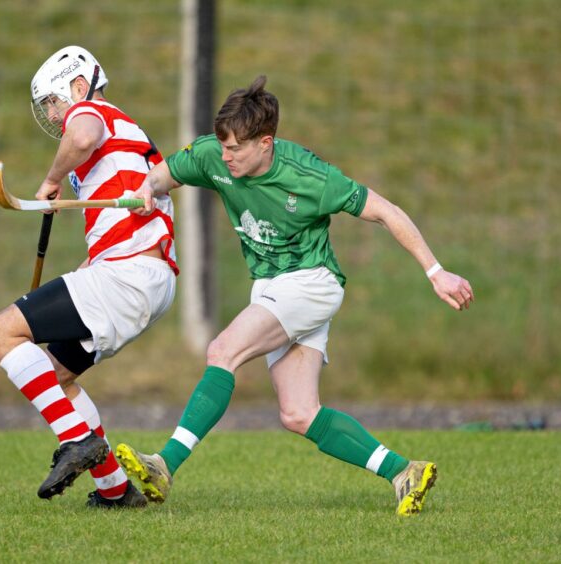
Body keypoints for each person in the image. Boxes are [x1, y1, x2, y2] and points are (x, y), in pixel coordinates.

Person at [115, 76, 474, 516]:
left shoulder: (309, 176)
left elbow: (385, 211)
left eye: (236, 150)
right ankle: (405, 472)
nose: (225, 158)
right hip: (269, 284)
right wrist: (146, 190)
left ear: (266, 143)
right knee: (299, 413)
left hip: (311, 281)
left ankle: (165, 465)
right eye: (222, 147)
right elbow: (166, 173)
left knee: (222, 350)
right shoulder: (214, 153)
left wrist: (435, 271)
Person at [0, 46, 178, 509]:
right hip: (144, 275)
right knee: (58, 376)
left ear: (78, 85)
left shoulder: (93, 111)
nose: (53, 113)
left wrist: (51, 178)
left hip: (130, 274)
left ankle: (78, 441)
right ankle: (114, 490)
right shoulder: (125, 133)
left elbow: (83, 134)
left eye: (54, 100)